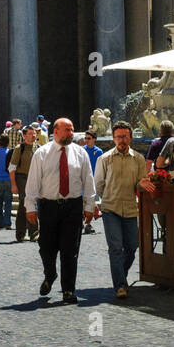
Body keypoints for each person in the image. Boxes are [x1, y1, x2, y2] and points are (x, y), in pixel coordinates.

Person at [24, 117, 96, 304]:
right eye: (67, 130)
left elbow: (88, 181)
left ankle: (68, 290)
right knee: (46, 247)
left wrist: (90, 206)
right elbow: (33, 182)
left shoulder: (80, 153)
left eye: (72, 130)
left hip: (73, 205)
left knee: (70, 250)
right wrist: (30, 206)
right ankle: (50, 274)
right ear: (55, 131)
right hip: (48, 206)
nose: (71, 133)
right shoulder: (42, 153)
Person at [93, 121, 150, 299]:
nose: (122, 140)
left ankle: (121, 275)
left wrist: (141, 185)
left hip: (131, 209)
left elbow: (140, 182)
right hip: (111, 208)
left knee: (132, 246)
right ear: (113, 138)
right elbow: (99, 184)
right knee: (115, 248)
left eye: (125, 136)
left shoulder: (139, 159)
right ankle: (119, 285)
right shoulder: (105, 158)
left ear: (130, 137)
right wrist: (106, 199)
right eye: (118, 137)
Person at [9, 124, 41, 243]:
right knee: (25, 203)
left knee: (32, 203)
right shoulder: (19, 148)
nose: (33, 136)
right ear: (24, 136)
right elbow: (12, 167)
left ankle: (32, 233)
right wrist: (13, 184)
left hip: (35, 178)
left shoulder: (38, 147)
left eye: (34, 134)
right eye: (30, 134)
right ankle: (23, 233)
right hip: (22, 178)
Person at [81, 131, 103, 234]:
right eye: (86, 138)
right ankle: (82, 223)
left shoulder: (99, 152)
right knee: (81, 203)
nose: (86, 140)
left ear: (94, 139)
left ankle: (88, 224)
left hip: (94, 180)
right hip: (82, 180)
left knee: (91, 203)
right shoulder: (81, 150)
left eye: (89, 138)